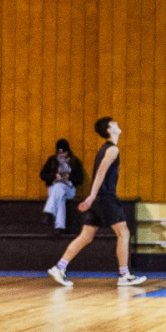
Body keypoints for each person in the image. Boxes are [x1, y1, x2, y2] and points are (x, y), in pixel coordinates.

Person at [47, 117, 145, 288]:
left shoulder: (105, 148)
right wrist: (92, 196)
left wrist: (93, 197)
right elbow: (100, 173)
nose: (117, 124)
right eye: (114, 123)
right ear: (109, 130)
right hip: (105, 197)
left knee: (86, 235)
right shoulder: (112, 149)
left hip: (99, 198)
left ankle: (59, 267)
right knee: (123, 232)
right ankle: (124, 275)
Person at [39, 139, 78, 230]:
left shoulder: (74, 161)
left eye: (64, 152)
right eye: (60, 153)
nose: (62, 155)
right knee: (60, 196)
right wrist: (54, 177)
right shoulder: (52, 160)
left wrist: (68, 178)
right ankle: (59, 227)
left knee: (59, 188)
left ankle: (49, 213)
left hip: (69, 188)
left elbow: (80, 179)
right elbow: (42, 174)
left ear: (68, 152)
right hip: (54, 188)